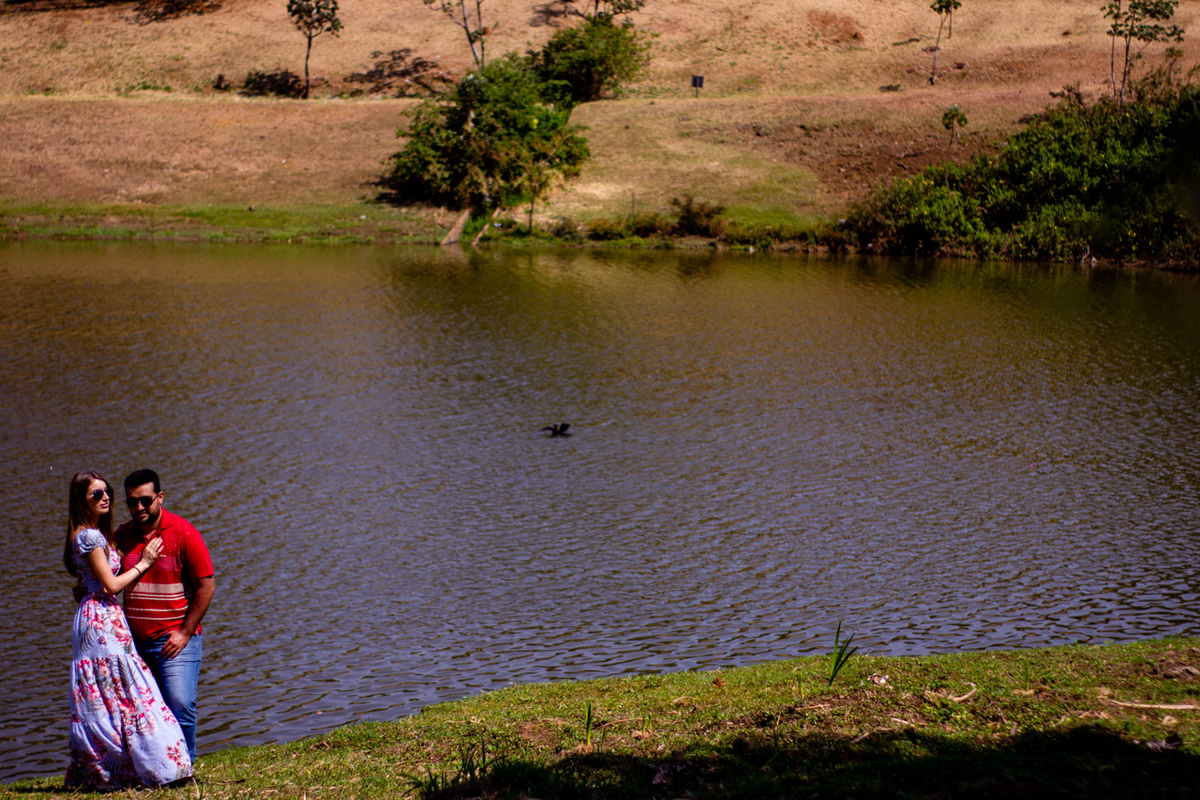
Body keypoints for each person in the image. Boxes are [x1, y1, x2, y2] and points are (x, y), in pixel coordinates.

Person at [63, 470, 194, 789]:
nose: (105, 497)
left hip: (100, 616)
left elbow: (93, 581)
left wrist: (89, 588)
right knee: (122, 689)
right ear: (81, 501)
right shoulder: (90, 537)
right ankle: (145, 767)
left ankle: (126, 766)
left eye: (106, 491)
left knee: (113, 692)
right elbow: (110, 585)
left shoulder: (92, 534)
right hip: (101, 621)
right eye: (96, 494)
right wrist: (145, 562)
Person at [114, 468, 215, 765]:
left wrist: (185, 633)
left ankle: (184, 768)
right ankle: (154, 768)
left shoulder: (183, 533)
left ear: (160, 497)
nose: (139, 508)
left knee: (180, 703)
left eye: (145, 500)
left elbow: (206, 585)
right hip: (134, 644)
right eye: (132, 502)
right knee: (141, 711)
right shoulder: (122, 536)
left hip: (173, 640)